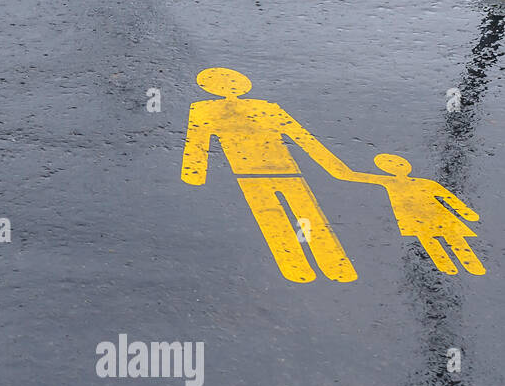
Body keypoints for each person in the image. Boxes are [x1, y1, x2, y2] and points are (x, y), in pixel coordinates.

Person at [181, 67, 357, 283]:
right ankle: (324, 265)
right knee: (299, 217)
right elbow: (302, 137)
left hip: (263, 173)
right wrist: (335, 168)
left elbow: (197, 141)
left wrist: (195, 173)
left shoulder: (211, 108)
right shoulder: (213, 109)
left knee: (279, 218)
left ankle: (305, 266)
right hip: (271, 171)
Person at [347, 153, 484, 276]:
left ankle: (459, 266)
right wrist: (467, 214)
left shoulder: (405, 182)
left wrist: (466, 212)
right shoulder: (416, 182)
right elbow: (449, 199)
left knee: (443, 239)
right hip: (432, 216)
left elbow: (448, 198)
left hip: (426, 216)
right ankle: (465, 266)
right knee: (439, 240)